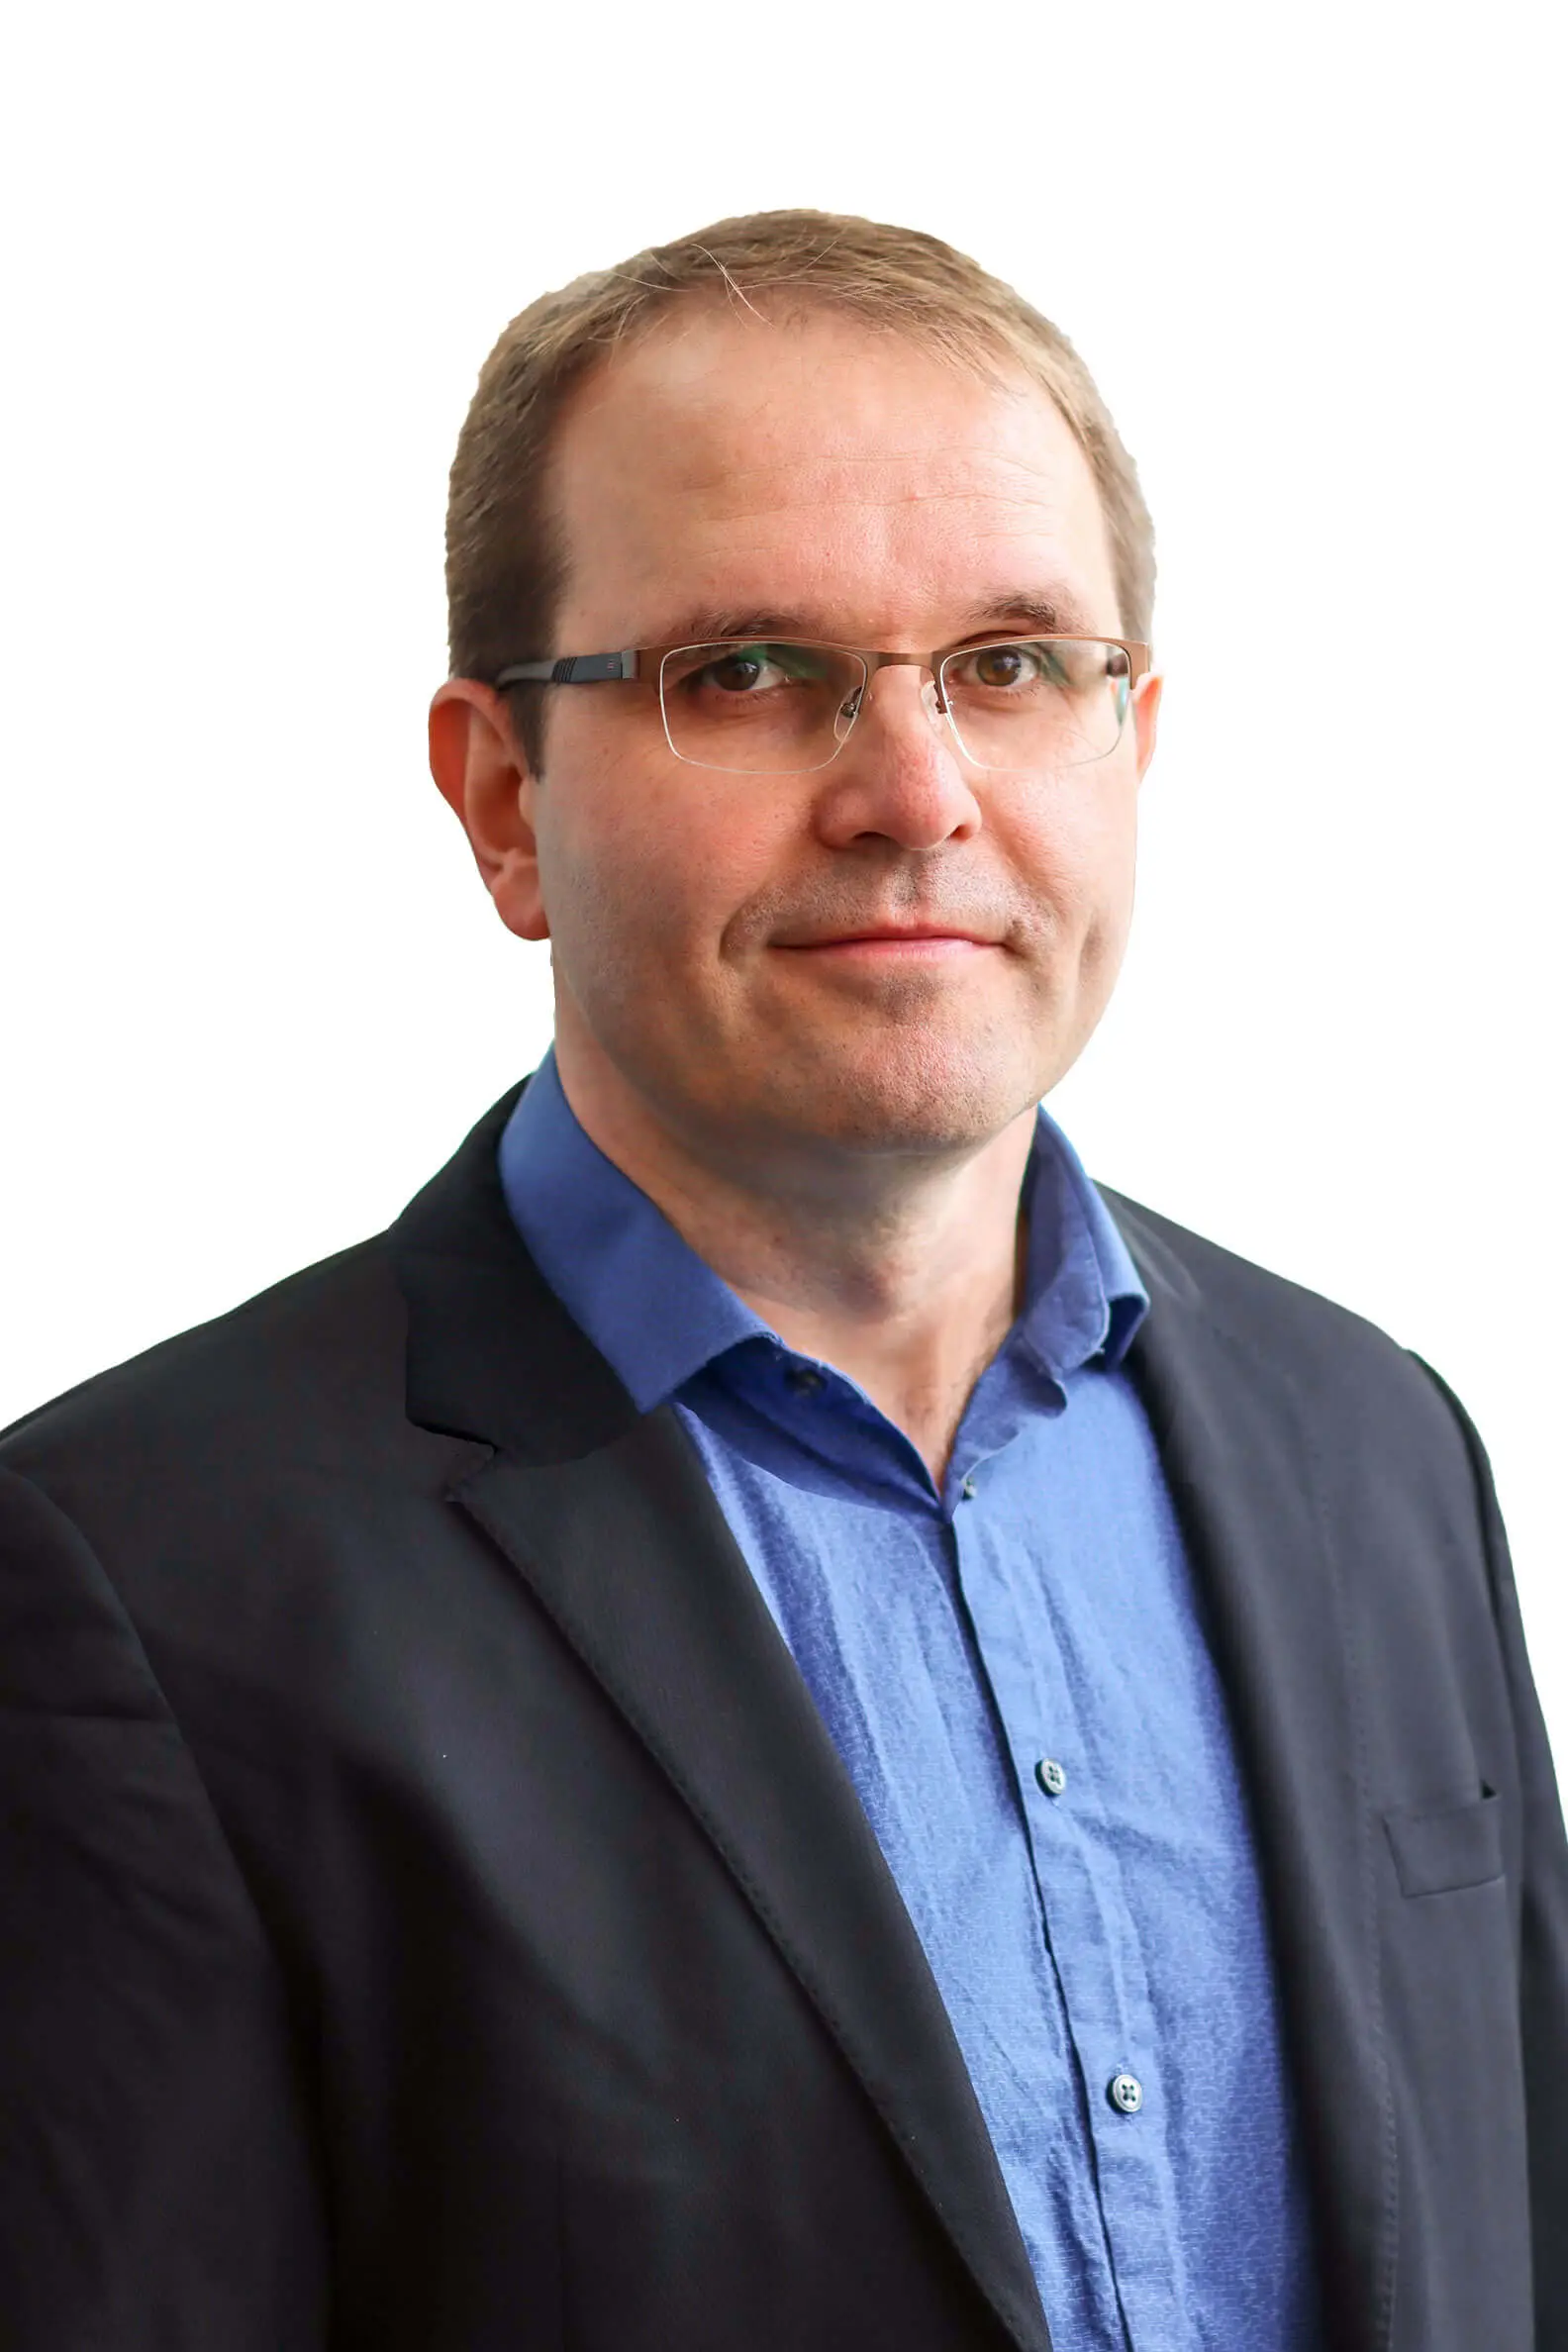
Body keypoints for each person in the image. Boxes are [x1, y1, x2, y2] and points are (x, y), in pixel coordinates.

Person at [0, 209, 1562, 2352]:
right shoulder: (140, 1584)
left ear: (1135, 741)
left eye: (1015, 666)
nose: (915, 793)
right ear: (502, 802)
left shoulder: (1379, 1445)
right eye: (745, 671)